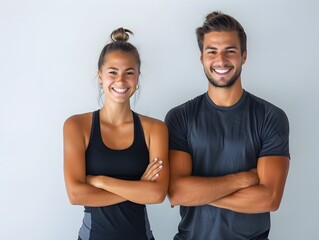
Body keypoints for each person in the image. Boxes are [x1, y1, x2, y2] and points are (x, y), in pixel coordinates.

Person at [165, 11, 290, 239]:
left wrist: (199, 194)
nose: (220, 60)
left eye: (230, 51)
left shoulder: (271, 117)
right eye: (212, 51)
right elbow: (177, 193)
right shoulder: (179, 117)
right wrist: (245, 179)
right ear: (201, 57)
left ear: (243, 56)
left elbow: (269, 199)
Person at [63, 28, 169, 240]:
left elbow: (157, 194)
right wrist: (138, 188)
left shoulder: (155, 129)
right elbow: (75, 195)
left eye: (129, 72)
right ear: (100, 76)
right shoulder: (76, 126)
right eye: (112, 72)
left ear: (137, 78)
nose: (121, 80)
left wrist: (100, 181)